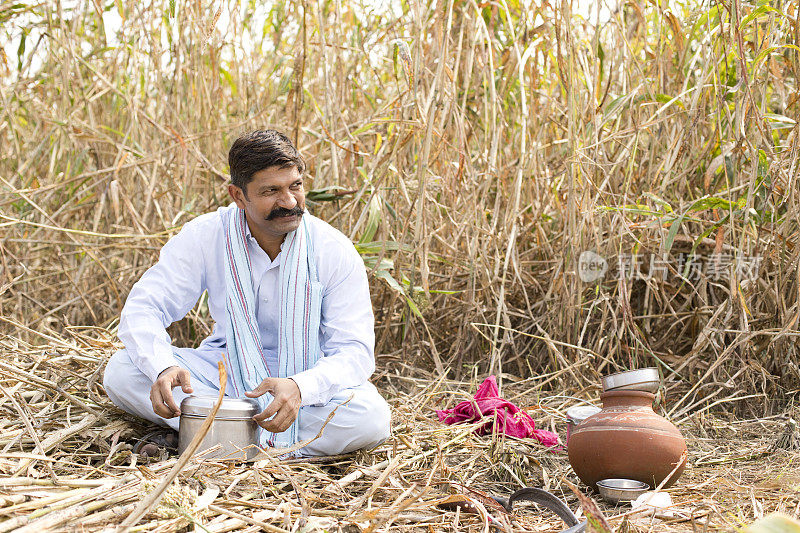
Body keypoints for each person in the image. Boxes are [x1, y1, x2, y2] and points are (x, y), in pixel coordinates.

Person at [103, 130, 391, 456]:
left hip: (304, 378)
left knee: (371, 418)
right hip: (221, 372)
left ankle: (212, 437)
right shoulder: (207, 235)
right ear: (238, 196)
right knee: (121, 370)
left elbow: (354, 351)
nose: (290, 201)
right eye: (271, 191)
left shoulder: (333, 249)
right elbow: (145, 306)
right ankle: (259, 441)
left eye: (295, 185)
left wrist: (300, 387)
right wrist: (163, 367)